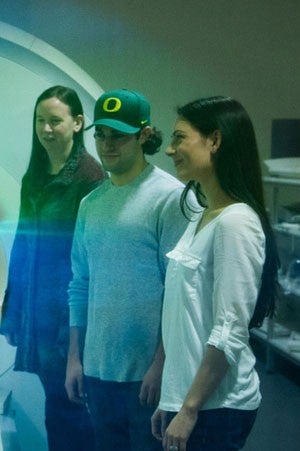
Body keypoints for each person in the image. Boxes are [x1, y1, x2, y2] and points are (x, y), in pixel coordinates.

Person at [64, 89, 190, 451]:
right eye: (101, 134)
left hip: (148, 376)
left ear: (144, 135)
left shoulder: (171, 198)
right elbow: (80, 285)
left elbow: (179, 292)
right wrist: (75, 358)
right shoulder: (91, 204)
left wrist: (162, 364)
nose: (107, 144)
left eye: (118, 135)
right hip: (98, 369)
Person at [150, 96, 278, 451]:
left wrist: (189, 409)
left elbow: (229, 329)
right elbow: (186, 320)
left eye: (179, 138)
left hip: (216, 408)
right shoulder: (201, 216)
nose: (169, 149)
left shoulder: (236, 222)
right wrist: (172, 398)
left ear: (215, 140)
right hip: (193, 400)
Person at [0, 85, 105, 450]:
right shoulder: (36, 175)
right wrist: (14, 313)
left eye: (54, 121)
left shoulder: (90, 179)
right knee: (56, 405)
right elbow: (23, 246)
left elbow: (89, 261)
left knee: (73, 407)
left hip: (68, 313)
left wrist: (76, 325)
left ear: (77, 123)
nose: (45, 129)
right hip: (38, 310)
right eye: (40, 121)